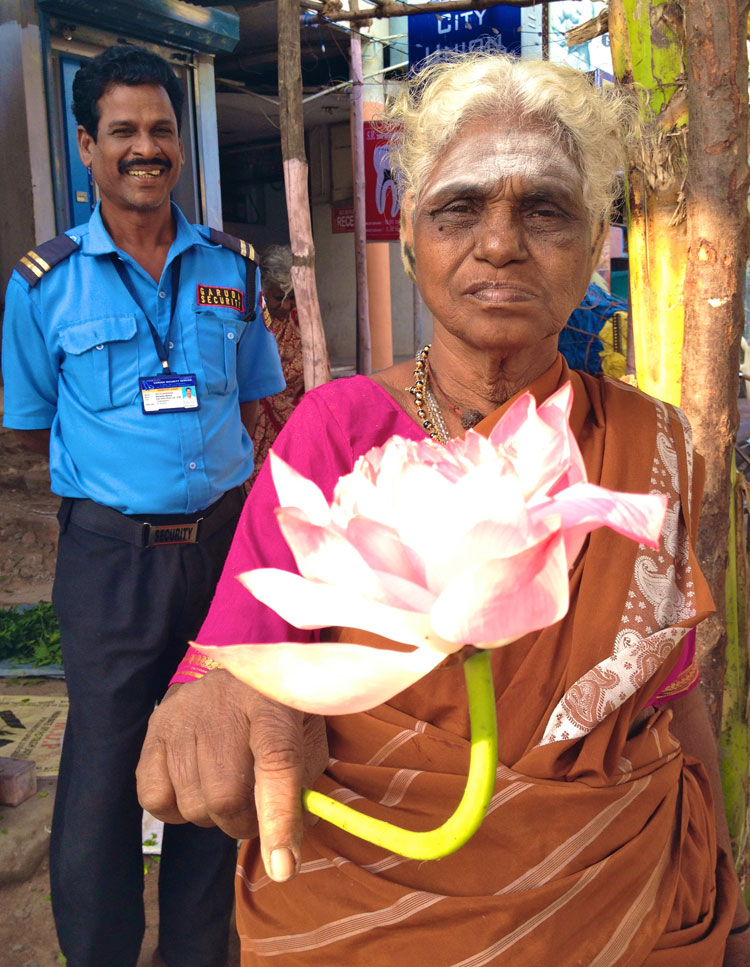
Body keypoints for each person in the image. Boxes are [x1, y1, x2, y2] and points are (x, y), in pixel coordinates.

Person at [137, 52, 750, 965]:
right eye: (459, 209)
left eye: (544, 210)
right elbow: (228, 666)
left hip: (625, 906)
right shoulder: (338, 429)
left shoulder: (647, 438)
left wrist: (730, 902)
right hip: (370, 916)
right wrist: (218, 697)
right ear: (413, 238)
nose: (499, 243)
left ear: (592, 248)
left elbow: (668, 686)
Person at [1, 45, 285, 967]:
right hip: (110, 562)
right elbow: (33, 422)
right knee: (100, 781)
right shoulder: (42, 284)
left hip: (219, 554)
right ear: (87, 147)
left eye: (161, 129)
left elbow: (256, 403)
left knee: (213, 759)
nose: (145, 147)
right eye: (122, 131)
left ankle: (199, 954)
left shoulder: (229, 266)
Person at [249, 244, 305, 485]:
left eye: (290, 298)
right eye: (277, 297)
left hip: (295, 435)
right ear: (261, 289)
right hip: (251, 435)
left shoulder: (304, 326)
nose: (284, 305)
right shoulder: (249, 322)